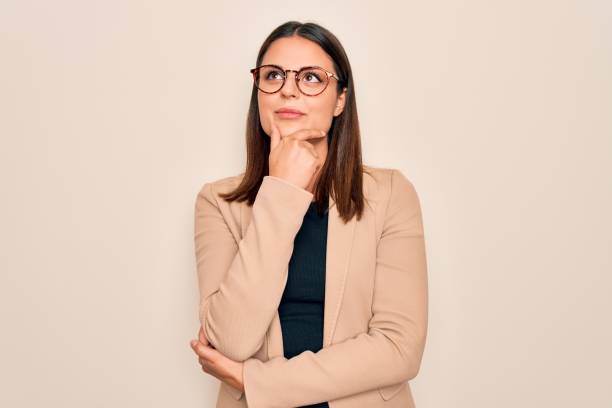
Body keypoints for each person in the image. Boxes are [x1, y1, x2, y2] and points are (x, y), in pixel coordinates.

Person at [189, 20, 428, 408]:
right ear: (259, 93)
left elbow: (399, 348)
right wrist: (281, 194)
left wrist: (257, 380)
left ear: (339, 100)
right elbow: (231, 339)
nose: (288, 89)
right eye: (274, 75)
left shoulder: (390, 195)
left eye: (312, 77)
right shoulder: (218, 202)